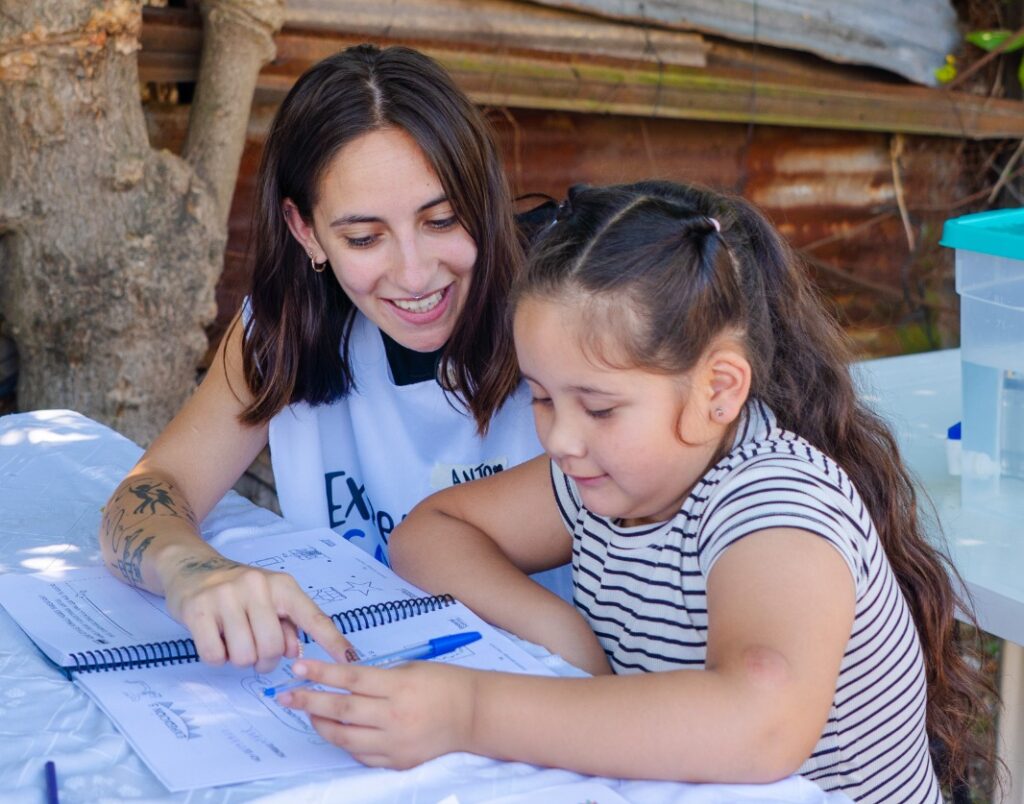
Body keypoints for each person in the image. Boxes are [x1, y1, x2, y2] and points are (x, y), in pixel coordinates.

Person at [277, 181, 996, 802]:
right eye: (542, 398)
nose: (559, 438)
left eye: (599, 407)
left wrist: (469, 710)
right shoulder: (606, 475)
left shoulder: (775, 503)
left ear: (717, 390)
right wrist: (567, 637)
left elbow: (760, 723)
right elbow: (430, 535)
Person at [98, 44, 548, 672]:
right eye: (364, 238)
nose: (415, 273)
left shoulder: (568, 298)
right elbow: (149, 491)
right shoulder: (286, 326)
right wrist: (190, 572)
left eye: (443, 220)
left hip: (564, 687)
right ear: (306, 231)